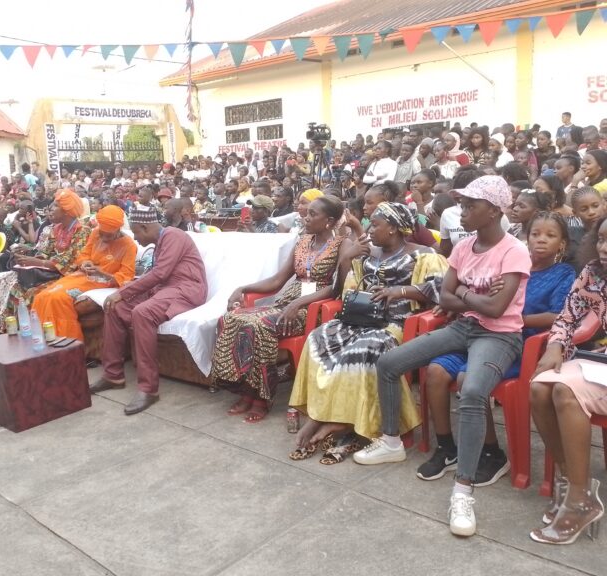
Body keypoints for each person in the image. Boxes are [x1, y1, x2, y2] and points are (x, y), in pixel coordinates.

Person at [358, 176, 530, 538]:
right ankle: (392, 442)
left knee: (471, 392)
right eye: (462, 205)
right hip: (465, 326)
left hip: (500, 336)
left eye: (470, 206)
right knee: (389, 362)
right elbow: (444, 296)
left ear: (494, 210)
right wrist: (471, 295)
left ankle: (463, 490)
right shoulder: (465, 247)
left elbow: (498, 309)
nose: (462, 212)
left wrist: (463, 293)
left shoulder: (514, 250)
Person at [420, 212, 574, 485]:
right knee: (435, 370)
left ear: (562, 244)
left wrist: (511, 318)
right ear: (525, 237)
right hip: (478, 330)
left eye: (550, 236)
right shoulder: (510, 260)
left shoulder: (563, 273)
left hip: (520, 344)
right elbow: (470, 286)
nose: (541, 241)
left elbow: (557, 316)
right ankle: (446, 448)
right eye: (535, 234)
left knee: (469, 379)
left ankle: (492, 453)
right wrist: (456, 302)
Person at [288, 202, 447, 463]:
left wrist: (401, 291)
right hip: (359, 319)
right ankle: (324, 416)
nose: (369, 229)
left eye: (375, 224)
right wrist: (348, 258)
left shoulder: (423, 255)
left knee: (361, 352)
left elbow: (440, 289)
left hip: (394, 323)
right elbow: (345, 289)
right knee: (318, 339)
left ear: (394, 228)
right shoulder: (368, 253)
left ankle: (341, 423)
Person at [211, 196, 347, 423]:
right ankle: (246, 390)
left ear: (329, 221)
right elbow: (277, 280)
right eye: (307, 212)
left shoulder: (342, 244)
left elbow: (335, 289)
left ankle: (262, 397)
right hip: (286, 303)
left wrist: (298, 304)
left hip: (312, 308)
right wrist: (243, 287)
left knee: (260, 326)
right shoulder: (303, 241)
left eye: (313, 214)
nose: (306, 217)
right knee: (230, 318)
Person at [529, 215, 607, 544]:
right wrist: (556, 344)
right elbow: (566, 316)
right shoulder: (592, 272)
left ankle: (579, 499)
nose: (603, 247)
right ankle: (568, 477)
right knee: (539, 386)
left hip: (596, 367)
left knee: (563, 390)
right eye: (601, 239)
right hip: (590, 363)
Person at [91, 206, 207, 415]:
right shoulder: (160, 241)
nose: (135, 238)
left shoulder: (173, 235)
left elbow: (161, 273)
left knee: (142, 312)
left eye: (135, 232)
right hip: (164, 288)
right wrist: (123, 293)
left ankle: (148, 389)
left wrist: (124, 292)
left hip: (186, 289)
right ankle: (113, 375)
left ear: (144, 227)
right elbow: (156, 276)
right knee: (114, 306)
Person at [0, 190, 90, 338]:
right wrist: (28, 256)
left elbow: (70, 261)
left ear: (67, 211)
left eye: (55, 206)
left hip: (64, 275)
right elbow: (44, 251)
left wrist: (38, 261)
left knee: (16, 290)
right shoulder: (55, 229)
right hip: (44, 271)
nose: (50, 209)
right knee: (2, 281)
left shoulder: (82, 231)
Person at [32, 206, 136, 341]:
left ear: (118, 230)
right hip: (82, 276)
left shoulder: (129, 245)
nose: (103, 237)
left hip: (104, 283)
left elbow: (126, 277)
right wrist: (85, 263)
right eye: (101, 233)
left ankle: (67, 344)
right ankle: (44, 341)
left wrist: (103, 274)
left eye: (108, 235)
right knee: (43, 296)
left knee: (58, 298)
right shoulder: (95, 233)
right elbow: (84, 255)